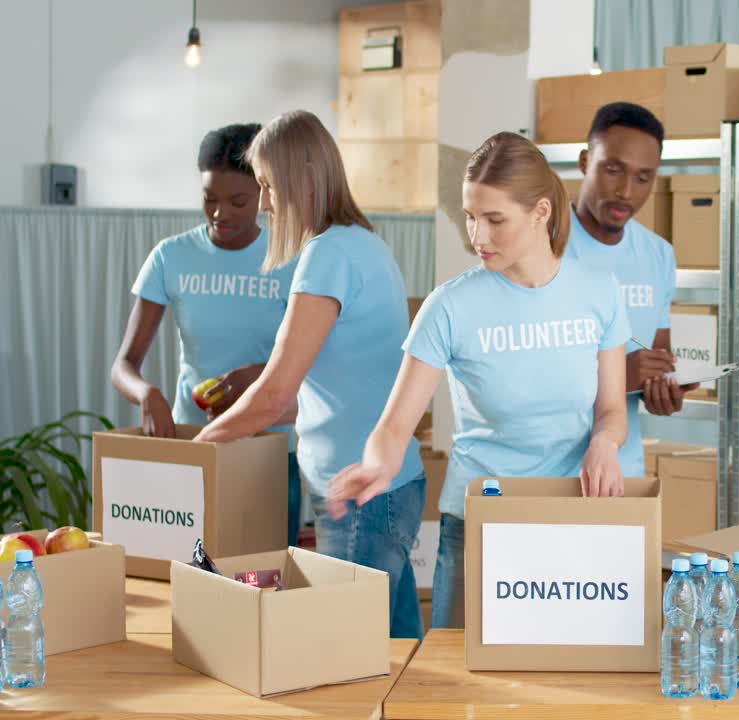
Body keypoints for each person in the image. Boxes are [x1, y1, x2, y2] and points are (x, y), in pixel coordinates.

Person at [327, 131, 631, 629]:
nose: (478, 237)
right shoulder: (449, 307)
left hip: (569, 519)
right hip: (477, 524)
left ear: (540, 212)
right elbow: (396, 425)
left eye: (495, 219)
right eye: (471, 217)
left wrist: (604, 443)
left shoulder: (599, 293)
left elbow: (612, 409)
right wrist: (377, 465)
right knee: (458, 690)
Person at [193, 110, 425, 639]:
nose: (267, 204)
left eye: (270, 187)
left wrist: (198, 450)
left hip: (359, 493)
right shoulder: (364, 243)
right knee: (399, 653)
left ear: (301, 178)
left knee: (344, 655)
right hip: (382, 488)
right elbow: (329, 391)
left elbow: (275, 394)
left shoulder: (328, 255)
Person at [111, 123, 303, 546]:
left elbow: (315, 366)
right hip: (191, 447)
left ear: (264, 195)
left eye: (238, 201)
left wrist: (256, 377)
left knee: (266, 584)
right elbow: (123, 365)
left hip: (268, 454)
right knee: (188, 580)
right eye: (209, 199)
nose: (221, 213)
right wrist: (146, 394)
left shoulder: (292, 260)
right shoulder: (171, 257)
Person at [564, 102, 693, 479]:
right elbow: (520, 376)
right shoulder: (542, 246)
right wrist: (620, 375)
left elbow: (657, 353)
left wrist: (663, 390)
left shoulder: (658, 254)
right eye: (613, 170)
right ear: (586, 161)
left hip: (621, 474)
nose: (625, 191)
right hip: (546, 477)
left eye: (642, 178)